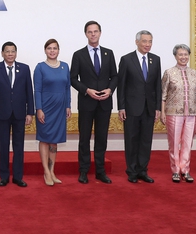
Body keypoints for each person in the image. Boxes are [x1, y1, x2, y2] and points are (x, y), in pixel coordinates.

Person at [70, 20, 117, 184]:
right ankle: (83, 171)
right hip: (86, 102)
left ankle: (100, 171)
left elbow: (115, 76)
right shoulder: (78, 54)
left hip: (104, 103)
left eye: (95, 31)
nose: (93, 34)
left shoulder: (108, 53)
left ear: (100, 33)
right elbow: (73, 79)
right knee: (84, 138)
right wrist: (86, 90)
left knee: (101, 138)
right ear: (86, 34)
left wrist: (110, 90)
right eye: (90, 32)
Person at [0, 41, 34, 187]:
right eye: (7, 51)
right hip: (2, 113)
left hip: (20, 113)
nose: (10, 54)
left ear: (16, 53)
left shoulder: (24, 69)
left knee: (19, 146)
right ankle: (4, 176)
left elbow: (29, 92)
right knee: (3, 145)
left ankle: (18, 176)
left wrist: (30, 112)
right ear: (2, 53)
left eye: (13, 51)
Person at [117, 30, 161, 184]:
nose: (147, 44)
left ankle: (143, 170)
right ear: (137, 42)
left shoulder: (155, 60)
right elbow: (121, 85)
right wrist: (121, 107)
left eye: (150, 41)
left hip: (149, 108)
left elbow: (157, 86)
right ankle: (132, 171)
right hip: (131, 108)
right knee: (131, 139)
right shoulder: (126, 59)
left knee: (145, 140)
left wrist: (158, 108)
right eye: (144, 41)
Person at [161, 44, 196, 183]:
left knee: (187, 143)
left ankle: (185, 170)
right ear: (175, 56)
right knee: (174, 143)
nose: (183, 57)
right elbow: (163, 95)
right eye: (180, 54)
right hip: (173, 113)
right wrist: (162, 113)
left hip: (192, 114)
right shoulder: (169, 72)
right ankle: (175, 170)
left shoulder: (194, 73)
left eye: (186, 54)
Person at [34, 39, 71, 186]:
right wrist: (39, 109)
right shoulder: (40, 67)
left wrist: (68, 105)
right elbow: (37, 89)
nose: (52, 51)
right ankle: (46, 172)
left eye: (55, 48)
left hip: (60, 109)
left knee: (54, 140)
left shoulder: (65, 66)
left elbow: (67, 88)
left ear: (58, 50)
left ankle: (52, 170)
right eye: (49, 48)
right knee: (44, 139)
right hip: (46, 109)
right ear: (45, 50)